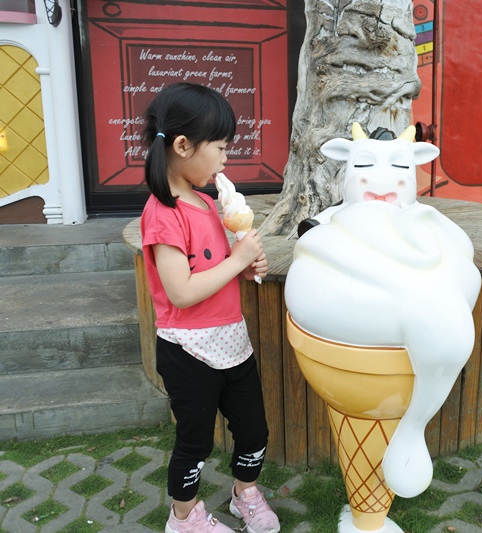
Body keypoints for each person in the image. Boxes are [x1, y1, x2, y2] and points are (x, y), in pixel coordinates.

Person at [139, 82, 278, 533]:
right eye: (220, 148)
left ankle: (245, 495)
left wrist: (241, 266)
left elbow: (209, 269)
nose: (224, 159)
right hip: (188, 349)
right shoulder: (163, 212)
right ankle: (185, 518)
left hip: (232, 340)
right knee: (194, 443)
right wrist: (236, 260)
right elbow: (180, 291)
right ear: (182, 146)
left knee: (254, 431)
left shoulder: (205, 202)